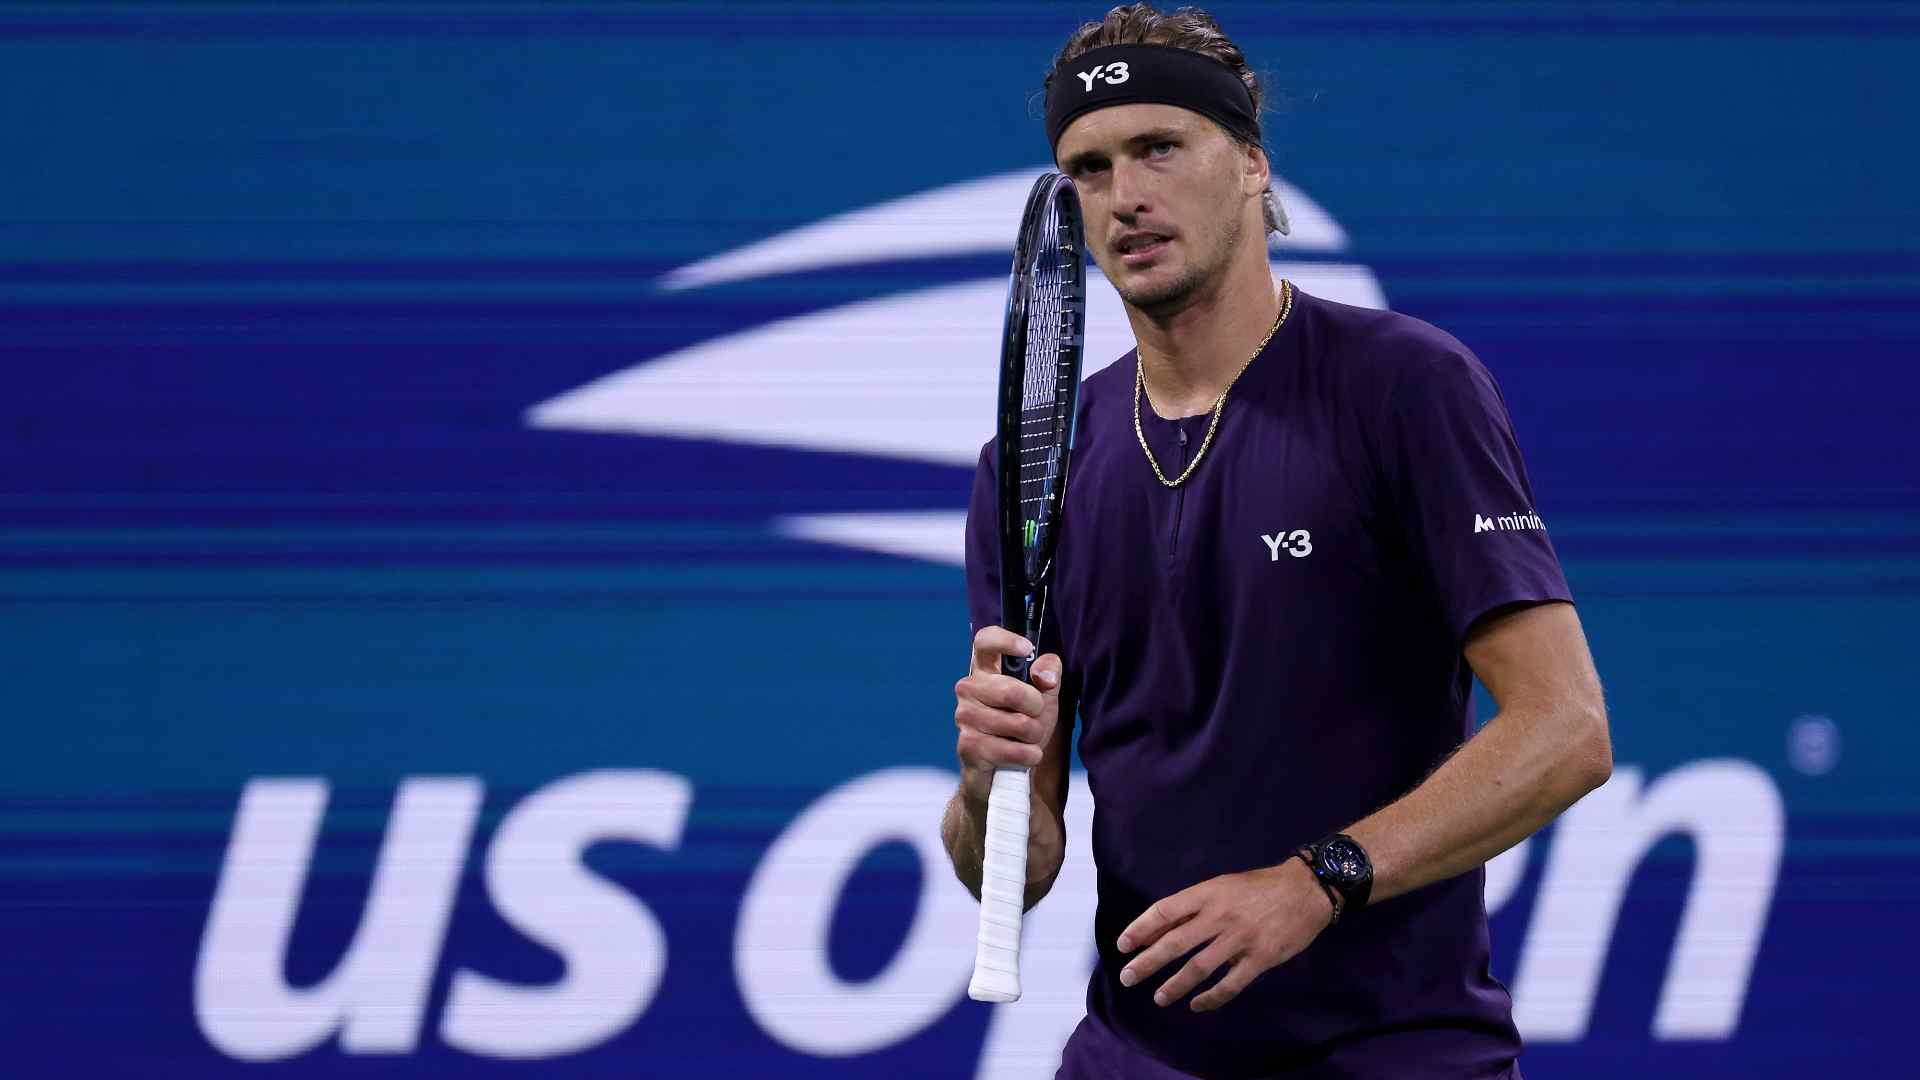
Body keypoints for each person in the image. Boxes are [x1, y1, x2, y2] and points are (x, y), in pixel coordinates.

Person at [938, 5, 1613, 1078]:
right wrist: (989, 787)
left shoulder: (1404, 387)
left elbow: (1567, 729)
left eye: (1161, 147)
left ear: (1252, 164)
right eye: (1090, 166)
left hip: (1395, 1055)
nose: (1125, 196)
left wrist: (1315, 881)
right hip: (1137, 1055)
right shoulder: (1030, 466)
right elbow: (1018, 871)